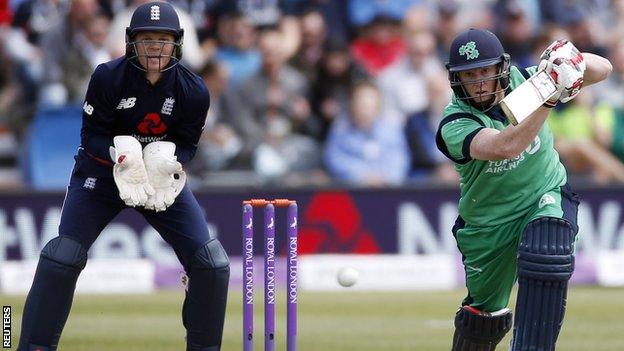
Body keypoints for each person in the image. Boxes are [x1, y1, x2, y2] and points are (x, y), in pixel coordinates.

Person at [17, 3, 229, 351]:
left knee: (211, 263)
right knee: (63, 255)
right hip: (101, 176)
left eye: (163, 40)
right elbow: (90, 137)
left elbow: (189, 145)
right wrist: (120, 154)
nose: (155, 48)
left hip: (157, 179)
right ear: (131, 42)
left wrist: (169, 159)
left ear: (176, 44)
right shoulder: (107, 76)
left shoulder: (194, 90)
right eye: (147, 40)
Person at [435, 28, 612, 350]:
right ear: (455, 78)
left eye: (485, 71)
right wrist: (550, 97)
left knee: (548, 249)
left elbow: (604, 69)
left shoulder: (527, 83)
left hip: (544, 192)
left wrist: (568, 63)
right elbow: (506, 147)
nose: (478, 82)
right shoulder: (455, 121)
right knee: (483, 318)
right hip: (489, 224)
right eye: (469, 74)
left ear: (500, 68)